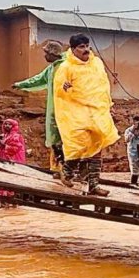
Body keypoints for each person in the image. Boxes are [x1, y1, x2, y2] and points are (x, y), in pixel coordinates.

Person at [53, 34, 118, 196]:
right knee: (80, 143)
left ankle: (94, 185)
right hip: (76, 112)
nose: (86, 50)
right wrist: (65, 87)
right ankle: (68, 170)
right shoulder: (66, 67)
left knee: (99, 143)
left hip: (97, 110)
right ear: (73, 50)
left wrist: (108, 104)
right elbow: (59, 90)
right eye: (81, 47)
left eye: (87, 46)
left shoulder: (97, 63)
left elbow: (104, 85)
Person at [12, 40, 66, 174]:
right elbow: (38, 79)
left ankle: (67, 170)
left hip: (66, 111)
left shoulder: (65, 67)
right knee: (55, 140)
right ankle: (57, 169)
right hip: (54, 110)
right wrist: (21, 84)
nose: (44, 56)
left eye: (46, 53)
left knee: (66, 139)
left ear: (53, 53)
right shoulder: (52, 68)